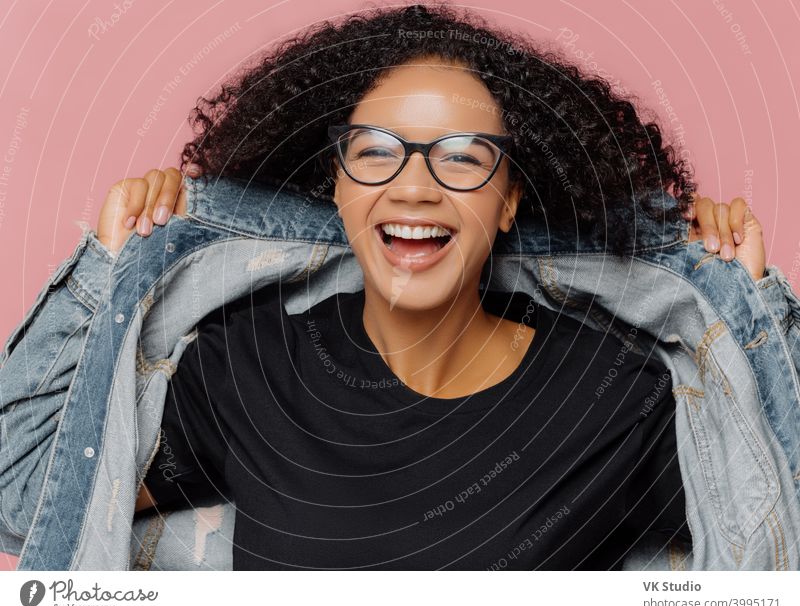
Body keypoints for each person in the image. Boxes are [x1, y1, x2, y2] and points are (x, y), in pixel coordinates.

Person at [13, 3, 772, 570]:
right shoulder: (251, 368)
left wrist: (739, 302)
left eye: (464, 157)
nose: (414, 188)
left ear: (511, 199)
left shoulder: (612, 391)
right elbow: (24, 498)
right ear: (336, 185)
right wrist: (107, 274)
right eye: (375, 153)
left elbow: (776, 522)